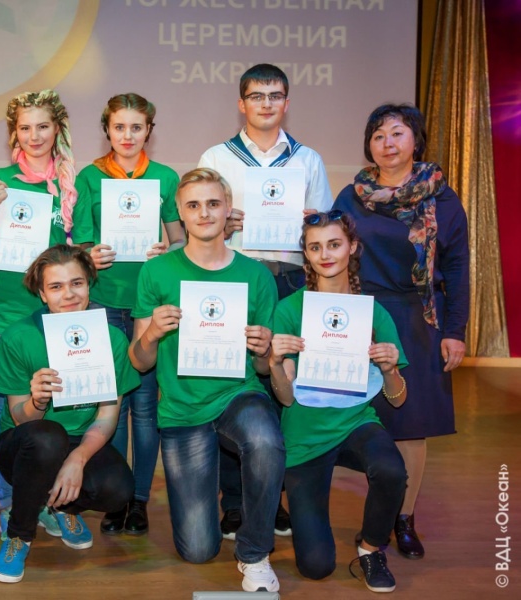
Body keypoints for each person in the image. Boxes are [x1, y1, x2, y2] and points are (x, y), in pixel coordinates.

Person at [129, 168, 284, 593]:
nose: (204, 213)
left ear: (228, 209)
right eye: (193, 205)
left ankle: (255, 552)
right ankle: (217, 512)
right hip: (182, 408)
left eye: (213, 203)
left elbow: (264, 370)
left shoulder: (257, 275)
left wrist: (264, 349)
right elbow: (139, 362)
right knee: (198, 549)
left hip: (238, 394)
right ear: (180, 212)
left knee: (266, 441)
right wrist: (152, 333)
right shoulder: (156, 272)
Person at [197, 62, 334, 541]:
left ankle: (273, 499)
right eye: (257, 96)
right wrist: (222, 222)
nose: (266, 104)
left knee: (284, 388)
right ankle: (235, 503)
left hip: (292, 280)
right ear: (242, 103)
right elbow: (199, 219)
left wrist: (313, 221)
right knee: (233, 387)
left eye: (275, 95)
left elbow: (325, 232)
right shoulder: (217, 156)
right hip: (236, 279)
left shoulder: (308, 160)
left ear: (286, 102)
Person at [332, 103, 469, 559]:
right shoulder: (351, 196)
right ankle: (377, 515)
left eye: (397, 133)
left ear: (415, 141)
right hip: (363, 316)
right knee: (364, 420)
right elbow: (333, 253)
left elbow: (456, 267)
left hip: (419, 317)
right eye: (378, 135)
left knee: (412, 426)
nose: (387, 143)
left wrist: (455, 330)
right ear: (368, 145)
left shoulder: (442, 199)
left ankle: (405, 518)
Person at [0, 89, 95, 535]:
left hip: (56, 318)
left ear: (57, 128)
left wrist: (94, 254)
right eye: (25, 127)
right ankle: (9, 501)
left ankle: (47, 498)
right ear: (14, 133)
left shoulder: (72, 184)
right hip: (0, 313)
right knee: (0, 410)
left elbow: (79, 252)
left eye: (43, 126)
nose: (34, 135)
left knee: (54, 406)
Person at [269, 210, 409, 593]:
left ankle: (370, 549)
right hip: (305, 437)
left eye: (334, 244)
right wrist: (276, 363)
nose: (325, 254)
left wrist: (390, 369)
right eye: (315, 247)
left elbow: (398, 400)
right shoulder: (289, 310)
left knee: (392, 470)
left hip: (355, 423)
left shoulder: (373, 313)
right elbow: (285, 397)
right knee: (316, 567)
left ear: (352, 247)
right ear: (306, 254)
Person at [0, 244, 137, 583]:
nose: (68, 295)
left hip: (78, 440)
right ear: (42, 294)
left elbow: (107, 416)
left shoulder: (112, 339)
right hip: (26, 444)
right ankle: (19, 534)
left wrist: (78, 459)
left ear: (89, 285)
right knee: (47, 436)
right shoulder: (19, 337)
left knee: (118, 490)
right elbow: (20, 418)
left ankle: (60, 507)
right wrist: (37, 400)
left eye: (77, 283)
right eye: (56, 287)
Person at [77, 93, 185, 535]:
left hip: (149, 303)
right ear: (107, 129)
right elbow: (80, 244)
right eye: (119, 127)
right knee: (113, 403)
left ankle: (139, 500)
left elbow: (181, 240)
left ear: (149, 132)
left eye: (136, 127)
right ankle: (117, 499)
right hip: (103, 302)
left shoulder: (165, 177)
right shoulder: (89, 176)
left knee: (144, 407)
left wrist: (168, 251)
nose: (127, 135)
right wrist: (89, 255)